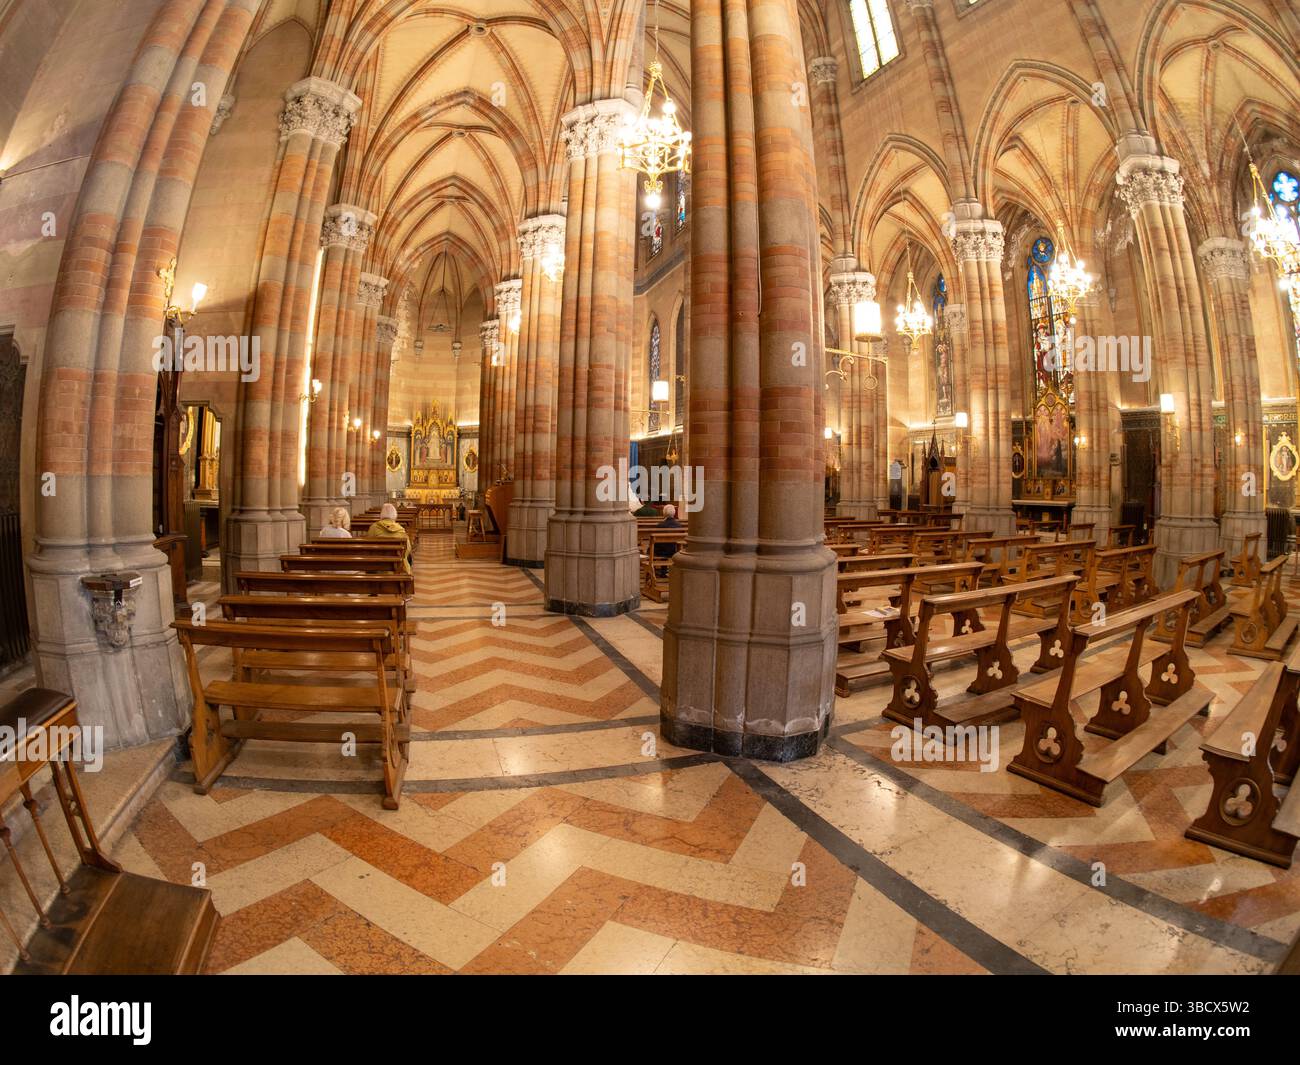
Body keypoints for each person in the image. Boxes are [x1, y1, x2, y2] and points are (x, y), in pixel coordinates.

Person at [366, 502, 411, 573]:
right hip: (398, 568)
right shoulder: (401, 529)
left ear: (381, 514)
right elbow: (407, 549)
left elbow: (367, 545)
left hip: (378, 566)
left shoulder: (374, 527)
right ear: (395, 515)